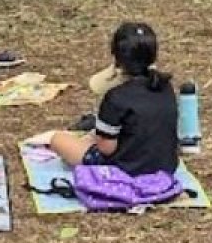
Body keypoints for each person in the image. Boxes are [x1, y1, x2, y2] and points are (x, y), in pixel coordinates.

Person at [47, 22, 178, 173]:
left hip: (124, 170)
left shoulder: (116, 97)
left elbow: (106, 148)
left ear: (116, 56)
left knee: (57, 139)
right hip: (164, 167)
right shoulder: (165, 87)